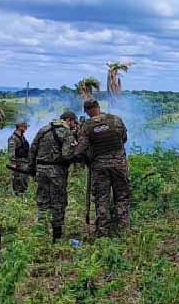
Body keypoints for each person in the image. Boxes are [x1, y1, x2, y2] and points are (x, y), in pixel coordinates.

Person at [74, 98, 131, 236]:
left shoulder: (87, 126)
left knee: (101, 198)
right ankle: (123, 229)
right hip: (119, 164)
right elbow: (124, 138)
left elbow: (80, 149)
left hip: (100, 166)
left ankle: (102, 231)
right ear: (98, 106)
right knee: (122, 196)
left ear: (87, 111)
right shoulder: (116, 120)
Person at [30, 111, 79, 241]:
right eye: (74, 121)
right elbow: (66, 155)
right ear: (69, 120)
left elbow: (33, 149)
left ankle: (41, 231)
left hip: (41, 170)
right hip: (57, 172)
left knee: (42, 200)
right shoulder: (67, 133)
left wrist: (32, 169)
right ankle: (57, 235)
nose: (75, 124)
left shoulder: (44, 129)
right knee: (58, 201)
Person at [7, 122, 31, 194]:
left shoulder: (22, 137)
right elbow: (11, 151)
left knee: (24, 178)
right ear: (20, 127)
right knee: (18, 178)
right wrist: (13, 162)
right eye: (25, 127)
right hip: (18, 161)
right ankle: (18, 193)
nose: (26, 129)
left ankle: (23, 193)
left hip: (24, 161)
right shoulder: (13, 138)